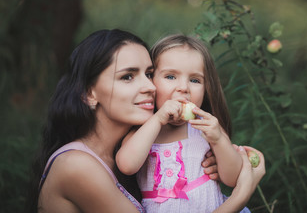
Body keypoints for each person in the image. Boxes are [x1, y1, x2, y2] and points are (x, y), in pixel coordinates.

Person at [26, 29, 265, 213]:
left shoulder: (133, 149)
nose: (149, 87)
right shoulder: (77, 166)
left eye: (149, 74)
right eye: (128, 76)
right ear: (90, 94)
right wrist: (240, 196)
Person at [116, 34, 259, 212]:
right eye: (170, 76)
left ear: (206, 89)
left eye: (194, 80)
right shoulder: (143, 130)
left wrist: (218, 140)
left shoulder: (205, 127)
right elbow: (127, 165)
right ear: (151, 81)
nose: (184, 87)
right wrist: (158, 119)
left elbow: (231, 178)